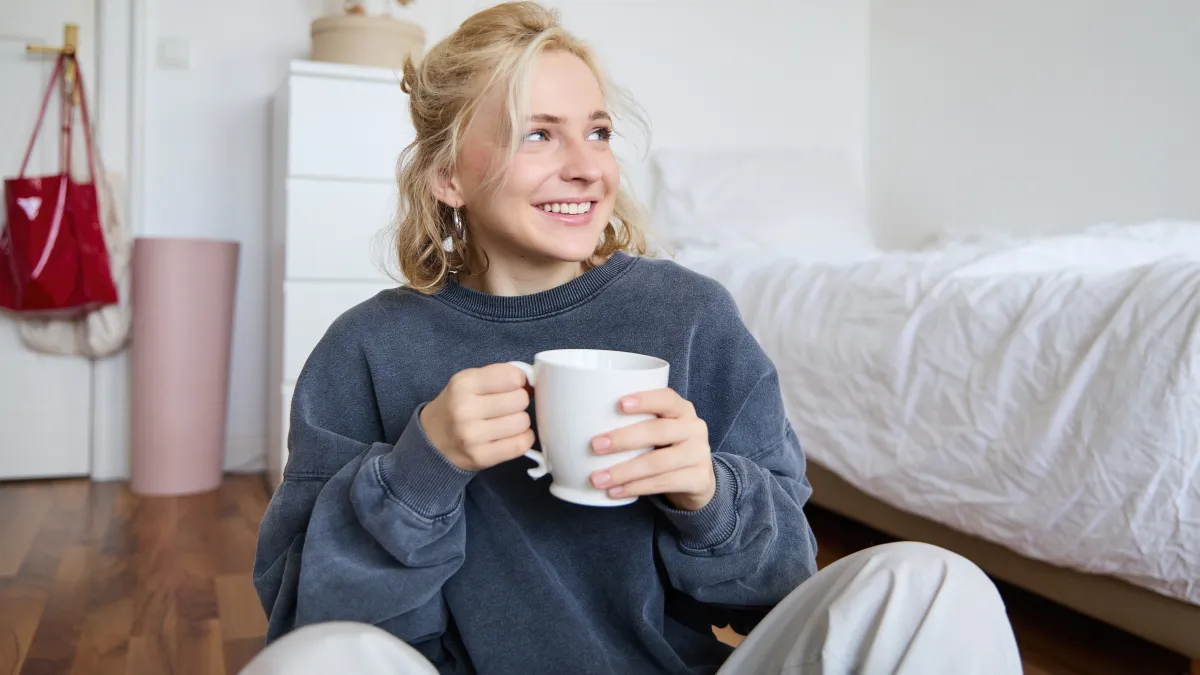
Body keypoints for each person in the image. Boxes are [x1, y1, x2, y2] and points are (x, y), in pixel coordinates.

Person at [244, 3, 1023, 674]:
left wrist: (709, 495)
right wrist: (420, 471)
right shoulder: (368, 347)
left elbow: (780, 583)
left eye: (599, 131)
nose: (587, 167)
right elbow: (304, 613)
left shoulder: (691, 317)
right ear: (448, 175)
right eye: (538, 135)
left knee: (934, 582)